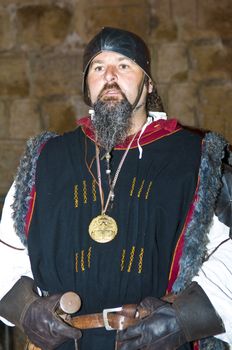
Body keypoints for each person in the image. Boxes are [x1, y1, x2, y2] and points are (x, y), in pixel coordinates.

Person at [0, 26, 231, 350]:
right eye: (98, 68)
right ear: (87, 85)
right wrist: (25, 309)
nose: (109, 76)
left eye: (124, 65)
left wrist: (184, 317)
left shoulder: (197, 158)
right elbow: (6, 254)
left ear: (148, 82)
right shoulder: (44, 159)